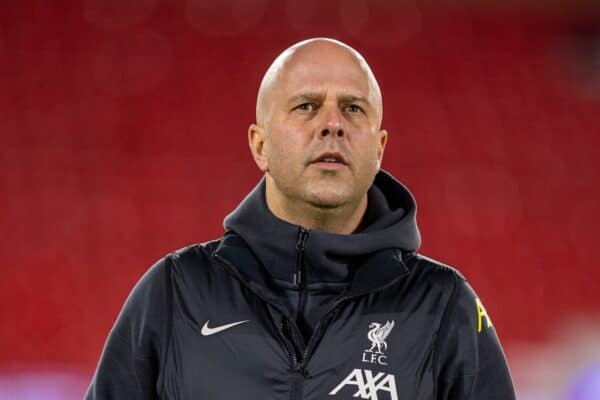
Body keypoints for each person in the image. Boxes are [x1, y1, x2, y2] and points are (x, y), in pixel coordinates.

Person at [85, 38, 516, 400]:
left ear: (379, 147)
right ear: (260, 145)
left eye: (353, 109)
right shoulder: (175, 292)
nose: (332, 125)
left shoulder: (442, 305)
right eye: (306, 106)